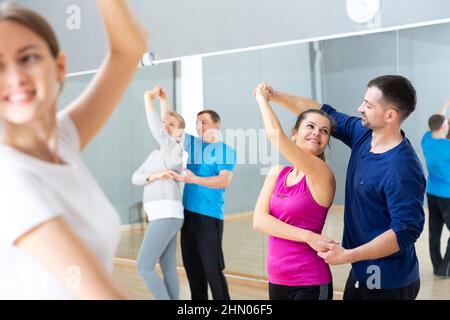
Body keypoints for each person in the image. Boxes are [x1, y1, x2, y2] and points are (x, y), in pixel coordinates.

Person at [0, 1, 148, 299]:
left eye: (28, 57)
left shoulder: (63, 138)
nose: (15, 77)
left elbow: (129, 49)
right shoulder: (10, 178)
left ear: (59, 67)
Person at [262, 75, 425, 300]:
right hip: (361, 268)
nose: (360, 108)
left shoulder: (402, 168)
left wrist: (348, 255)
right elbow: (320, 111)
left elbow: (405, 231)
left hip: (386, 278)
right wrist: (274, 95)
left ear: (390, 115)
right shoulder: (363, 134)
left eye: (368, 105)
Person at [252, 83, 337, 300]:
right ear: (295, 133)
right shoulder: (277, 173)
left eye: (324, 131)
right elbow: (259, 220)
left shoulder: (322, 175)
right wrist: (307, 236)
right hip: (277, 279)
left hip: (310, 281)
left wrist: (262, 99)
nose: (317, 133)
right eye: (310, 126)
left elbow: (274, 136)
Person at [171, 109, 236, 300]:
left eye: (204, 122)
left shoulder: (225, 151)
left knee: (212, 269)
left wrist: (194, 179)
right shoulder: (193, 143)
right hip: (188, 215)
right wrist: (162, 100)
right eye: (197, 122)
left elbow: (224, 181)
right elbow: (170, 126)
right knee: (193, 269)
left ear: (217, 124)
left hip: (210, 217)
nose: (199, 126)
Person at [132, 86, 185, 299]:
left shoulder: (174, 148)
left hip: (167, 214)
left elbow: (159, 129)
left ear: (179, 131)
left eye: (171, 125)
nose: (165, 127)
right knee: (168, 268)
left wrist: (148, 100)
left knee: (143, 266)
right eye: (165, 123)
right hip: (160, 215)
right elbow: (135, 177)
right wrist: (155, 175)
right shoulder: (157, 153)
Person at [421, 99, 450, 277]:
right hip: (447, 197)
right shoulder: (448, 147)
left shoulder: (426, 140)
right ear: (441, 127)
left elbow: (438, 119)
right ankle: (445, 268)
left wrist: (447, 103)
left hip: (431, 194)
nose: (447, 124)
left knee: (434, 232)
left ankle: (438, 267)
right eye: (446, 122)